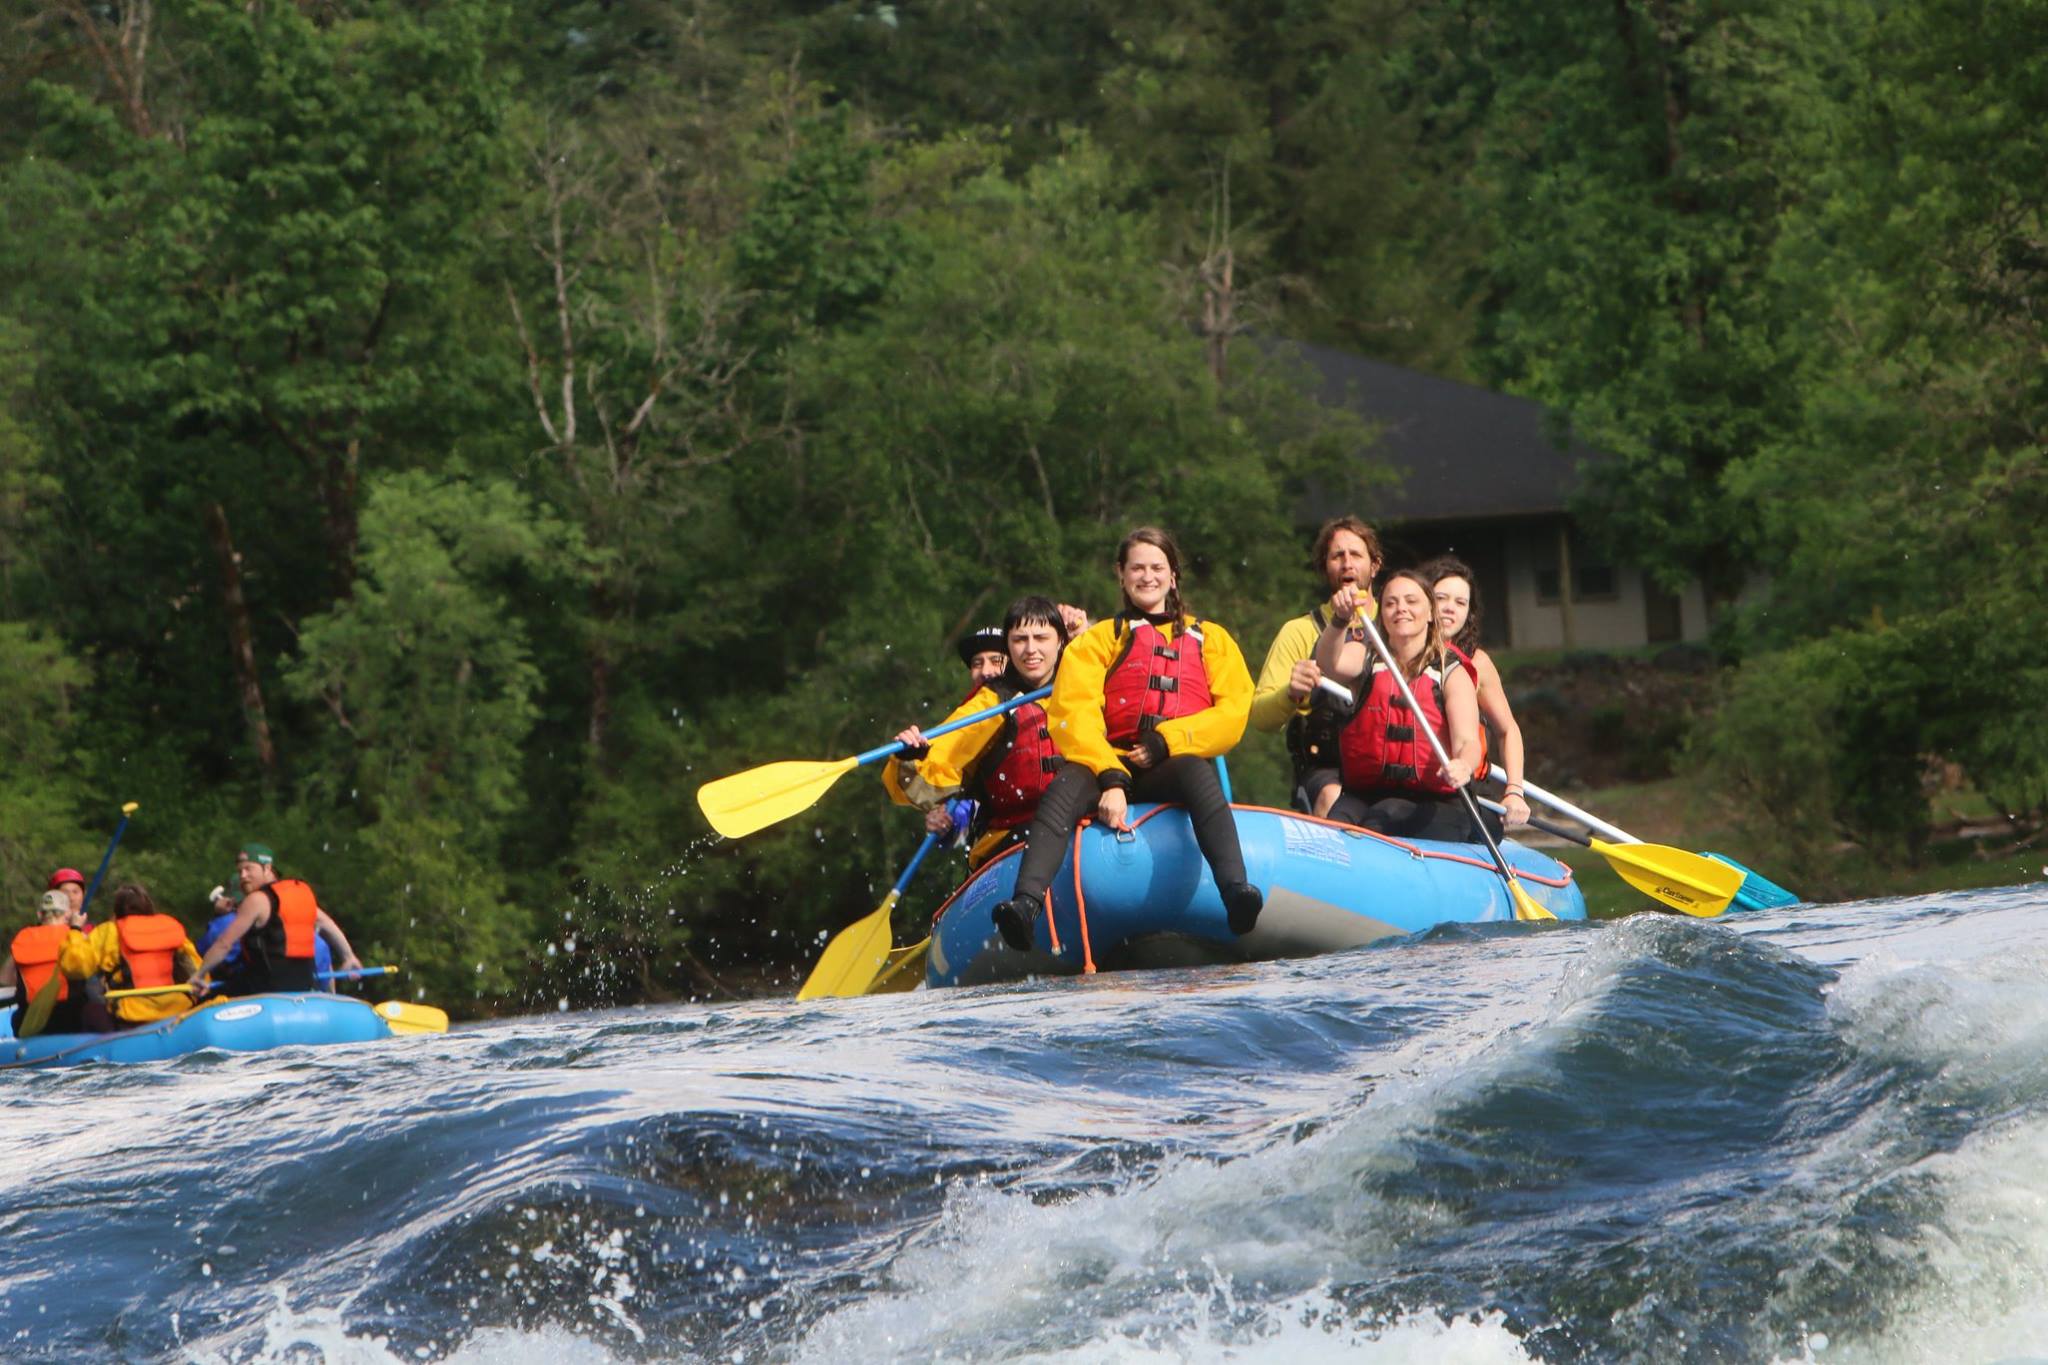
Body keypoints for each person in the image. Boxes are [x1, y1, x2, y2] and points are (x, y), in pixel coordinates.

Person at [991, 527, 1263, 948]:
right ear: (1121, 574)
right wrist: (1111, 777)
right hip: (1107, 762)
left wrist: (1167, 741)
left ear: (1174, 576)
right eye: (1137, 567)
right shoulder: (1097, 642)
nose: (1147, 576)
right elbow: (1073, 715)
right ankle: (1025, 905)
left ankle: (1236, 892)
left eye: (1157, 567)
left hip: (1170, 763)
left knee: (1195, 771)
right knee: (1063, 785)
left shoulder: (1214, 641)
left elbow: (1232, 714)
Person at [887, 596, 1072, 868]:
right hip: (1014, 838)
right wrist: (911, 756)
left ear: (1060, 642)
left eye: (1041, 638)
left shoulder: (1081, 684)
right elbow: (941, 761)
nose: (1031, 649)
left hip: (1080, 827)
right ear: (1009, 647)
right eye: (1020, 640)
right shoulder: (989, 704)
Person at [1315, 568, 1487, 842]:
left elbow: (1468, 741)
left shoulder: (1452, 673)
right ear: (1381, 613)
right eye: (1391, 603)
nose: (1400, 609)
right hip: (1367, 793)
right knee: (1333, 829)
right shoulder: (1368, 657)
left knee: (1384, 816)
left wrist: (1463, 765)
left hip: (1438, 802)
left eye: (1411, 601)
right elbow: (1328, 663)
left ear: (1431, 613)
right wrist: (1340, 620)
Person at [1250, 516, 1382, 815]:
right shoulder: (1299, 631)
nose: (1347, 563)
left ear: (1375, 565)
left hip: (1386, 763)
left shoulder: (1398, 627)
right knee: (1334, 798)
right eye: (1337, 556)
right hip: (1328, 767)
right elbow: (1260, 717)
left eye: (1356, 555)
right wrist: (1290, 693)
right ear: (1326, 568)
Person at [1420, 556, 1531, 830]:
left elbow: (1507, 731)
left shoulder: (1477, 662)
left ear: (1469, 612)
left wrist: (1514, 790)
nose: (1449, 609)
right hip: (1408, 785)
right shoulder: (1397, 655)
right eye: (1441, 598)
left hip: (1459, 790)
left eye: (1460, 603)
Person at [190, 842, 364, 996]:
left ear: (267, 868)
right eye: (240, 871)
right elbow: (326, 923)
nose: (243, 876)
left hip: (266, 989)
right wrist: (349, 956)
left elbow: (224, 944)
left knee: (214, 991)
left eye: (248, 869)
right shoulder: (298, 894)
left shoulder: (256, 900)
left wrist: (198, 975)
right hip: (304, 986)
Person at [58, 883, 202, 1029]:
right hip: (177, 1008)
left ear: (117, 909)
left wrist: (75, 929)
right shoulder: (170, 927)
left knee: (89, 1011)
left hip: (132, 1015)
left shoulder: (109, 931)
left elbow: (75, 967)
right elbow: (199, 970)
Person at [198, 879, 334, 988]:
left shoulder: (224, 923)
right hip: (309, 988)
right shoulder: (306, 927)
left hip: (266, 989)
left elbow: (205, 951)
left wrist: (217, 916)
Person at [2, 891, 90, 1035]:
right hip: (70, 1022)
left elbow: (5, 979)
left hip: (29, 1024)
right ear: (68, 914)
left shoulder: (22, 939)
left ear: (39, 914)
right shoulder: (76, 938)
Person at [957, 626, 1010, 693]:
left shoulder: (1026, 701)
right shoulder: (970, 703)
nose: (984, 672)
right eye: (977, 664)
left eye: (996, 661)